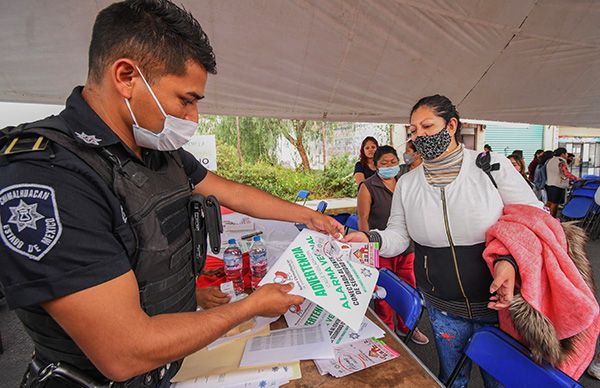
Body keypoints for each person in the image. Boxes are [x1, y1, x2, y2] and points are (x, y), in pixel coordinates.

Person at [0, 1, 343, 386]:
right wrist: (251, 307)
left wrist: (306, 215)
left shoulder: (156, 151)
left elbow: (228, 191)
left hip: (165, 370)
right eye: (186, 99)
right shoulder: (50, 177)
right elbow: (124, 352)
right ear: (127, 76)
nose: (193, 117)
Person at [345, 94, 542, 387]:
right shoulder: (407, 184)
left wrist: (509, 262)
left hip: (500, 304)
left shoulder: (492, 168)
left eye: (427, 126)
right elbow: (399, 235)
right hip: (442, 306)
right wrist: (370, 237)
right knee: (451, 379)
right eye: (413, 130)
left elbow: (534, 223)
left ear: (450, 126)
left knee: (498, 382)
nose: (419, 135)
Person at [356, 144, 429, 345]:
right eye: (384, 163)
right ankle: (387, 333)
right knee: (385, 294)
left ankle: (409, 327)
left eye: (393, 162)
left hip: (407, 247)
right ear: (376, 165)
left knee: (409, 288)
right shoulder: (368, 186)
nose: (389, 165)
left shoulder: (404, 182)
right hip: (381, 249)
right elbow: (363, 220)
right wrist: (368, 249)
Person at [545, 147, 581, 217]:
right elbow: (566, 173)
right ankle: (552, 219)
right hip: (557, 185)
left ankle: (545, 217)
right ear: (562, 154)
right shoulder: (561, 161)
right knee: (554, 204)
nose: (567, 155)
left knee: (549, 203)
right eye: (566, 153)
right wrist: (576, 178)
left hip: (549, 184)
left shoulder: (550, 160)